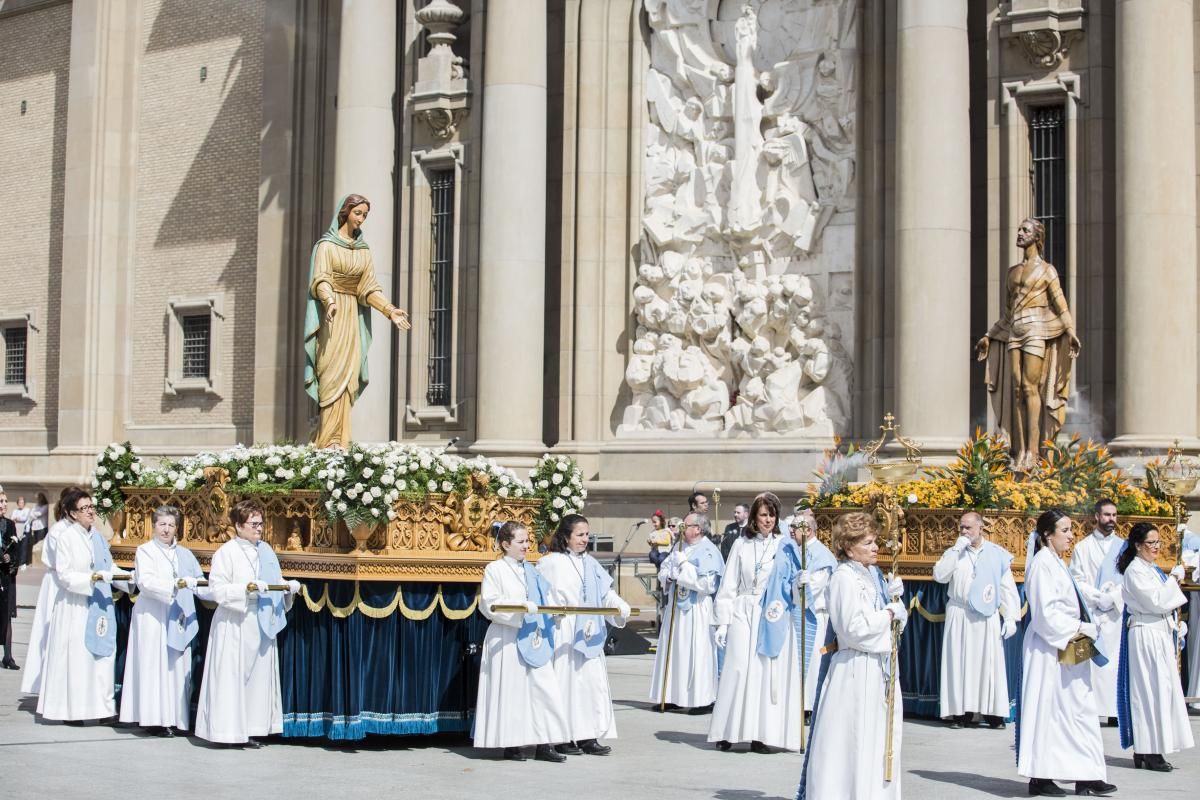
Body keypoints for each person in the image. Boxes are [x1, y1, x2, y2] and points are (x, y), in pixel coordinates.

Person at [798, 511, 907, 800]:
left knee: (876, 740)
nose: (876, 547)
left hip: (878, 667)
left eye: (875, 541)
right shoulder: (844, 578)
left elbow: (895, 627)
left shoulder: (872, 575)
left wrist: (897, 603)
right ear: (849, 547)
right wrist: (887, 613)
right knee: (852, 740)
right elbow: (853, 628)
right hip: (855, 669)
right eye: (869, 542)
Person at [1017, 509, 1116, 797]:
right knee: (1052, 712)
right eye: (1065, 530)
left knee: (1082, 708)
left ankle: (1087, 774)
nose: (1071, 536)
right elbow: (1045, 615)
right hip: (1052, 648)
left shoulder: (1057, 562)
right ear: (1048, 534)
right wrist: (1080, 626)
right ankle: (1041, 775)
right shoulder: (1041, 564)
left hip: (1072, 642)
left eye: (1072, 530)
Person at [304, 193, 411, 448]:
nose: (361, 219)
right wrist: (329, 302)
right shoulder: (326, 246)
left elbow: (368, 288)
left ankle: (341, 439)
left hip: (351, 316)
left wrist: (390, 310)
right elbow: (321, 279)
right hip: (331, 318)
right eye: (357, 213)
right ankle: (326, 441)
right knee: (330, 375)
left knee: (349, 376)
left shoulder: (363, 251)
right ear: (345, 213)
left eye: (364, 215)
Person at [975, 217, 1080, 471]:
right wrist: (989, 335)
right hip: (1015, 331)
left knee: (1032, 388)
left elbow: (1061, 305)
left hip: (1037, 329)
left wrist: (1070, 331)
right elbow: (1008, 313)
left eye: (1025, 230)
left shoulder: (1047, 270)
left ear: (1037, 236)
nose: (1020, 233)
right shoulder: (1012, 272)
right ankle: (1018, 450)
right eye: (1019, 230)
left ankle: (1033, 452)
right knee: (1018, 390)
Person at [194, 500, 301, 747]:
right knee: (233, 675)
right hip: (236, 620)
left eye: (261, 523)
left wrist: (287, 588)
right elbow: (217, 589)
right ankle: (227, 732)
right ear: (239, 525)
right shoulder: (227, 552)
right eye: (254, 524)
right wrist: (247, 589)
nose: (259, 529)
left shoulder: (265, 550)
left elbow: (273, 578)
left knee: (258, 677)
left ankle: (251, 728)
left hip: (261, 619)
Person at [708, 492, 802, 753]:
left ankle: (761, 734)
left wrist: (800, 583)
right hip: (744, 610)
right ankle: (728, 731)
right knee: (738, 668)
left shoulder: (785, 545)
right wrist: (723, 623)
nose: (768, 520)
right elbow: (729, 584)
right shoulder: (741, 545)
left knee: (763, 672)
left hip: (771, 612)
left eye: (772, 515)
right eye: (763, 515)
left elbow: (790, 582)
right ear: (754, 517)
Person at [537, 514, 632, 756]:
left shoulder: (590, 562)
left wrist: (619, 605)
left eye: (587, 535)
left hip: (589, 629)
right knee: (566, 683)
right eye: (580, 535)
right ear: (565, 536)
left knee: (590, 685)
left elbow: (604, 593)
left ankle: (588, 735)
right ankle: (562, 737)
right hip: (565, 631)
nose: (585, 540)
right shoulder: (552, 562)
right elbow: (542, 595)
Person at [474, 521, 569, 762]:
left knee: (544, 688)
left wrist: (553, 611)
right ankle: (512, 742)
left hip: (534, 636)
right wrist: (520, 609)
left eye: (528, 541)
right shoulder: (495, 569)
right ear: (505, 544)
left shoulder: (533, 570)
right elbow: (490, 604)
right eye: (521, 542)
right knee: (512, 690)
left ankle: (546, 743)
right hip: (508, 635)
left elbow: (545, 597)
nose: (527, 546)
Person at [36, 487, 128, 723]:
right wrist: (92, 579)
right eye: (84, 508)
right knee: (77, 658)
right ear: (72, 513)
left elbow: (107, 566)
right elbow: (65, 576)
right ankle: (74, 710)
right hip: (75, 605)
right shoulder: (66, 538)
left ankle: (102, 708)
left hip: (98, 603)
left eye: (91, 507)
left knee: (100, 658)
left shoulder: (96, 536)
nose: (90, 512)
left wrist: (128, 579)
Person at [119, 505, 207, 735]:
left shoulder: (185, 554)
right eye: (162, 525)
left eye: (171, 525)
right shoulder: (145, 551)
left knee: (175, 667)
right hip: (153, 615)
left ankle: (176, 718)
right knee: (153, 665)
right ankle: (153, 719)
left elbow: (199, 582)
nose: (166, 530)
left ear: (177, 528)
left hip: (177, 615)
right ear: (154, 526)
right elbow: (146, 582)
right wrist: (175, 585)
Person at [1115, 522, 1193, 771]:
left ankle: (1149, 747)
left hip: (1158, 632)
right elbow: (1157, 600)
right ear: (1138, 545)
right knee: (1149, 691)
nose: (1156, 547)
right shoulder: (1135, 571)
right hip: (1145, 634)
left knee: (1161, 690)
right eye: (1151, 543)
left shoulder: (1150, 568)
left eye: (1158, 542)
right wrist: (1173, 578)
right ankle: (1149, 750)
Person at [932, 511, 1020, 729]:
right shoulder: (955, 552)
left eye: (968, 527)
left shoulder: (997, 553)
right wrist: (956, 549)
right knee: (959, 663)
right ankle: (960, 713)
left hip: (986, 615)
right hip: (959, 613)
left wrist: (1010, 617)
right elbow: (940, 576)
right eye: (961, 527)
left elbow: (1007, 588)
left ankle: (993, 714)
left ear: (981, 527)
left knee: (988, 665)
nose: (964, 531)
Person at [649, 511, 724, 713]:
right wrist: (669, 576)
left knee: (697, 651)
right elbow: (664, 569)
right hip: (676, 606)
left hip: (697, 608)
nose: (682, 529)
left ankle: (703, 699)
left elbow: (707, 584)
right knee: (675, 650)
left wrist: (683, 568)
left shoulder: (708, 551)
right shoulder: (679, 546)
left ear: (698, 529)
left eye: (686, 525)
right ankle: (674, 695)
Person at [1068, 498, 1124, 723]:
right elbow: (1077, 579)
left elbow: (1130, 578)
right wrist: (1098, 597)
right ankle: (1093, 710)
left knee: (1116, 663)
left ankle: (1115, 712)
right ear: (1096, 517)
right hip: (1094, 612)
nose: (1112, 520)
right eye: (1107, 515)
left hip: (1116, 614)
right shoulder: (1083, 547)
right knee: (1093, 665)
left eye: (1114, 515)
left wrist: (1113, 597)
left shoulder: (1124, 547)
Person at [20, 493, 78, 696]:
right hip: (56, 584)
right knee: (50, 632)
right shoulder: (59, 531)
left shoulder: (79, 531)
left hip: (68, 583)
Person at [787, 507, 836, 712]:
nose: (791, 531)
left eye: (795, 528)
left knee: (813, 660)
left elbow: (813, 589)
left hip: (814, 614)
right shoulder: (798, 550)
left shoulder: (821, 555)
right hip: (797, 612)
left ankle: (808, 705)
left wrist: (796, 587)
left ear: (807, 530)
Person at [0, 492, 21, 668]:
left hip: (6, 576)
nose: (4, 504)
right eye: (1, 501)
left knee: (7, 616)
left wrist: (11, 559)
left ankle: (8, 656)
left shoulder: (10, 524)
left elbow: (17, 550)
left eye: (6, 501)